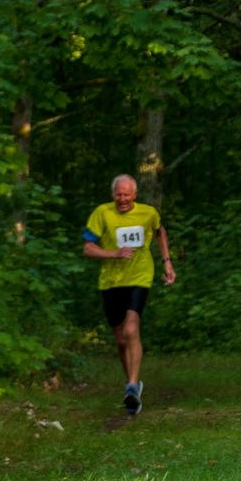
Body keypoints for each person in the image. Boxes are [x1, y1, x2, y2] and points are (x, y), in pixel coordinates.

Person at [82, 174, 176, 415]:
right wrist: (114, 254)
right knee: (121, 339)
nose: (122, 199)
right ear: (113, 195)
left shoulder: (148, 212)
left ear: (135, 194)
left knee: (131, 329)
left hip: (139, 277)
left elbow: (159, 231)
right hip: (111, 282)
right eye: (118, 195)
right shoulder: (101, 213)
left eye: (127, 194)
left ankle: (133, 387)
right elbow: (88, 248)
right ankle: (131, 385)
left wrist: (167, 262)